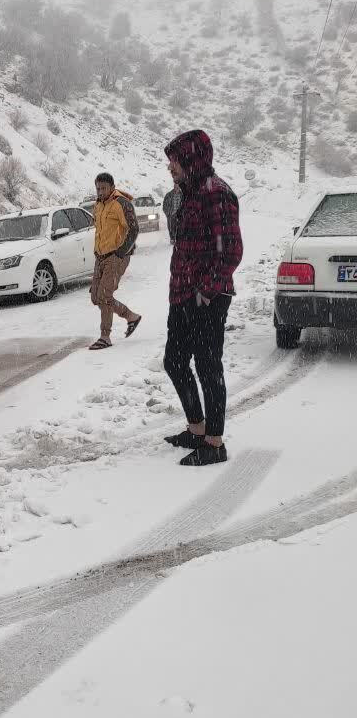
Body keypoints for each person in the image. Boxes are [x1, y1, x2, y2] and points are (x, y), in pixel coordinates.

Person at [162, 129, 243, 467]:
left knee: (208, 367)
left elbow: (231, 252)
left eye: (174, 162)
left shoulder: (217, 193)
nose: (170, 168)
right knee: (175, 362)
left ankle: (214, 443)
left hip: (206, 298)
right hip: (182, 294)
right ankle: (196, 429)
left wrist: (205, 292)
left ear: (191, 160)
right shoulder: (189, 193)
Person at [88, 173, 141, 350]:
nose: (100, 191)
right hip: (100, 256)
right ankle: (131, 317)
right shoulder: (98, 204)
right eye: (98, 188)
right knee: (96, 297)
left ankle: (105, 336)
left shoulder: (121, 203)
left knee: (104, 296)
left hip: (116, 255)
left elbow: (134, 229)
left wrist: (120, 253)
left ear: (112, 187)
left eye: (103, 188)